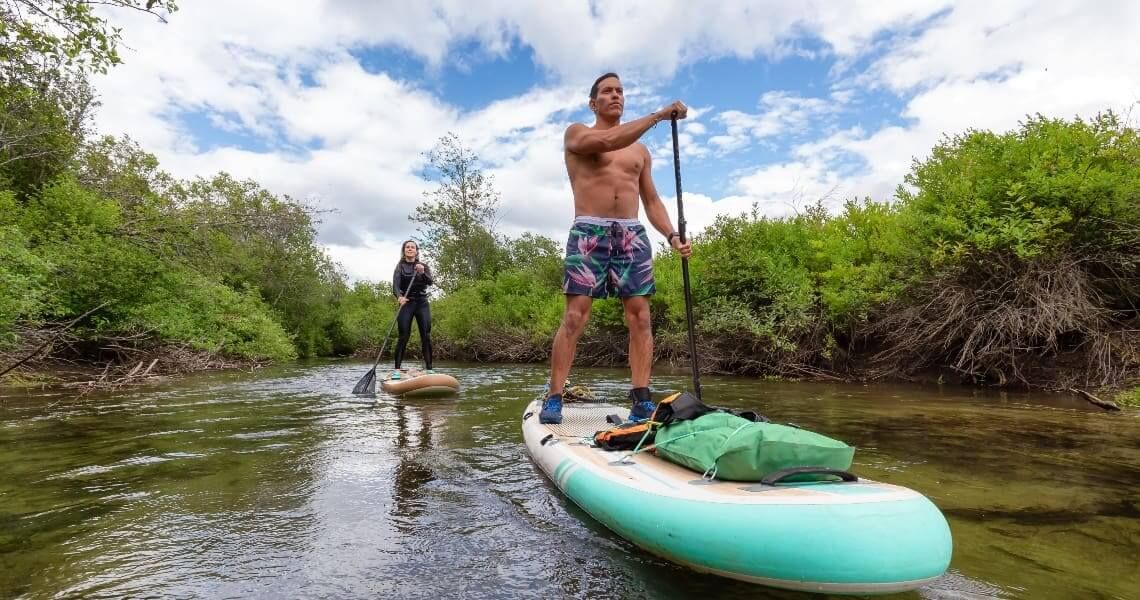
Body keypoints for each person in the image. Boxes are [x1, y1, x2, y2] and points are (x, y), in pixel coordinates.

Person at [540, 72, 692, 425]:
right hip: (588, 233)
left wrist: (671, 235)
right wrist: (657, 116)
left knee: (640, 317)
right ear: (593, 103)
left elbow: (651, 200)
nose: (616, 96)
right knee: (575, 316)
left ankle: (640, 398)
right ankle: (554, 396)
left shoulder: (639, 150)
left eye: (620, 91)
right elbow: (607, 142)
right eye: (607, 91)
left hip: (630, 235)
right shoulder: (577, 133)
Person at [391, 239, 434, 379]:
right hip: (406, 303)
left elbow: (430, 282)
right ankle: (397, 369)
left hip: (422, 303)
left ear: (416, 251)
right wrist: (399, 297)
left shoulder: (423, 266)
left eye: (412, 247)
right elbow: (396, 286)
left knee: (426, 336)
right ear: (404, 250)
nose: (410, 249)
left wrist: (422, 272)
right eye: (407, 247)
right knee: (403, 336)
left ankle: (429, 369)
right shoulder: (400, 267)